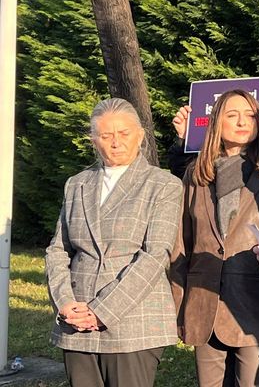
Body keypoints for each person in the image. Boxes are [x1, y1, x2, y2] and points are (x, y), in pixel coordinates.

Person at [46, 98, 182, 387]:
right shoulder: (77, 184)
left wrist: (101, 311)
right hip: (77, 321)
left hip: (133, 320)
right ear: (94, 140)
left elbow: (155, 255)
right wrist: (65, 302)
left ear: (141, 135)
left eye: (124, 134)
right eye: (106, 135)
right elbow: (59, 249)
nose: (116, 142)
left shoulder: (163, 185)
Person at [169, 89, 259, 387]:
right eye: (232, 115)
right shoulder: (196, 174)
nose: (242, 122)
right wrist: (178, 308)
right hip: (204, 308)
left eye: (250, 115)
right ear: (215, 122)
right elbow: (182, 245)